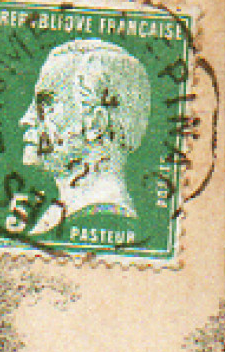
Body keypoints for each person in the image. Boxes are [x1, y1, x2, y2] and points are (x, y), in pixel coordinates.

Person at [20, 37, 152, 227]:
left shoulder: (99, 222)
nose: (25, 119)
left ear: (96, 124)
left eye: (46, 104)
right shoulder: (61, 219)